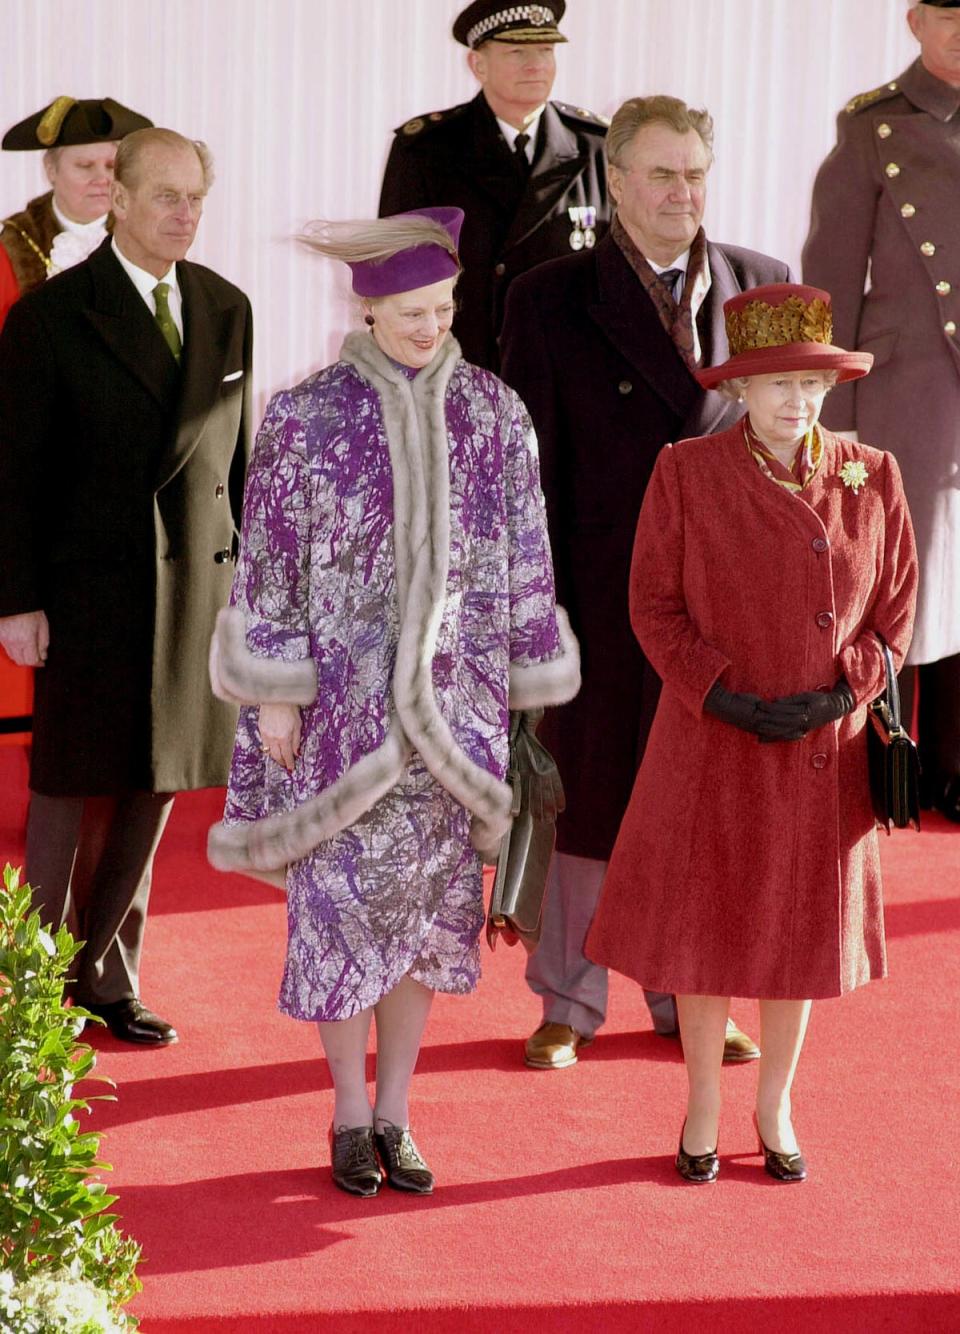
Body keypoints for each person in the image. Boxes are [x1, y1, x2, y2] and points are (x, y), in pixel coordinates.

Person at [206, 207, 579, 1197]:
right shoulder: (304, 414)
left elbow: (527, 562)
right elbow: (269, 561)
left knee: (423, 923)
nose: (429, 326)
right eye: (410, 310)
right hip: (344, 719)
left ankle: (395, 1113)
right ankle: (342, 1109)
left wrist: (523, 695)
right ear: (367, 308)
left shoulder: (495, 412)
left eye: (444, 308)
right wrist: (277, 693)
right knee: (339, 921)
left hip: (455, 719)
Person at [585, 283, 918, 1182]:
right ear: (738, 389)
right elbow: (651, 609)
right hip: (712, 741)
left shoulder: (873, 474)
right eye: (775, 384)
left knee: (798, 933)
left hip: (821, 751)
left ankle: (775, 1103)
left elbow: (895, 618)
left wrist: (839, 695)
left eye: (811, 382)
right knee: (708, 928)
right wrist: (719, 695)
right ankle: (702, 1101)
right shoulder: (685, 472)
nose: (796, 401)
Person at [499, 95, 791, 1071]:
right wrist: (526, 608)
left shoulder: (765, 285)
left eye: (695, 172)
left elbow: (796, 452)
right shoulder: (545, 296)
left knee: (700, 801)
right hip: (594, 585)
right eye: (660, 173)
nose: (680, 192)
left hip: (726, 598)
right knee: (585, 797)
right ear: (614, 181)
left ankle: (690, 996)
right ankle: (568, 1001)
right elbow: (526, 467)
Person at [0, 128, 253, 1045]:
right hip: (86, 591)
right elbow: (15, 471)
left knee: (158, 782)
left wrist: (251, 600)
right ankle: (32, 988)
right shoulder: (53, 315)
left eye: (196, 198)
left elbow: (239, 463)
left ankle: (108, 976)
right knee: (69, 790)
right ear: (116, 198)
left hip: (196, 588)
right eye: (164, 197)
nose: (184, 215)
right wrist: (16, 600)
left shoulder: (227, 307)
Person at [802, 0, 960, 820]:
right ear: (914, 20)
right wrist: (840, 410)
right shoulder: (874, 127)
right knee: (906, 580)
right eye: (949, 14)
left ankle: (958, 771)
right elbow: (829, 274)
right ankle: (895, 762)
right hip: (911, 387)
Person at [378, 0, 609, 371]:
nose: (535, 65)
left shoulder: (596, 146)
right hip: (462, 366)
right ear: (477, 64)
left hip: (566, 370)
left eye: (546, 51)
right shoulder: (425, 150)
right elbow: (396, 280)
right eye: (517, 52)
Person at [0, 96, 152, 330]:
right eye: (85, 166)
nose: (102, 179)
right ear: (51, 170)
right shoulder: (13, 247)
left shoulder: (144, 237)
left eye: (111, 166)